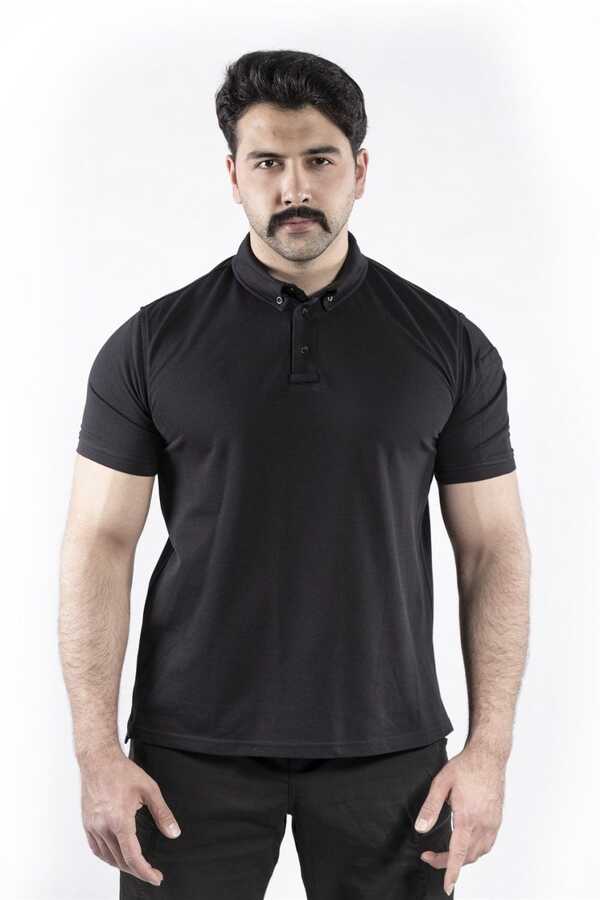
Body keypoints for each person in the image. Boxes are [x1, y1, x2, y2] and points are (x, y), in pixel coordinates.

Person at [59, 49, 531, 900]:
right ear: (233, 175)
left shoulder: (448, 346)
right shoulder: (151, 345)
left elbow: (493, 548)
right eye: (268, 163)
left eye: (319, 160)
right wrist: (96, 754)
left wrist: (489, 751)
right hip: (188, 753)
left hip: (390, 750)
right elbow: (99, 542)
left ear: (360, 170)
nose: (294, 188)